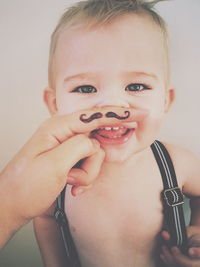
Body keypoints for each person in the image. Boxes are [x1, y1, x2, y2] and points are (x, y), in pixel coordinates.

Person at [0, 0, 200, 266]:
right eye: (85, 89)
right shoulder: (57, 175)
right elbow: (46, 217)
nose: (112, 105)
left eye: (137, 85)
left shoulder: (176, 163)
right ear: (55, 104)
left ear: (166, 100)